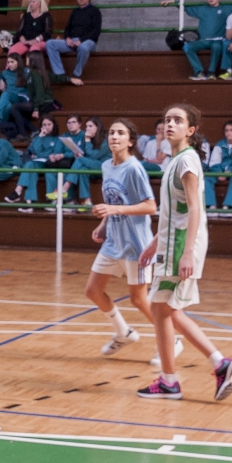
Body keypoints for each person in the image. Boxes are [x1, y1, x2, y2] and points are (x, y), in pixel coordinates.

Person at [136, 103, 232, 401]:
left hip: (181, 245)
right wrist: (155, 242)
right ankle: (175, 378)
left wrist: (186, 253)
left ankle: (214, 365)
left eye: (178, 120)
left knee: (165, 309)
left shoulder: (186, 162)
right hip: (171, 242)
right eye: (167, 119)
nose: (170, 124)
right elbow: (175, 212)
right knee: (162, 309)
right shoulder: (174, 161)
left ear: (191, 130)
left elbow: (195, 209)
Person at [83, 118, 158, 355]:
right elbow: (113, 200)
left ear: (131, 141)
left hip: (135, 243)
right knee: (93, 291)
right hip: (113, 241)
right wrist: (104, 223)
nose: (114, 136)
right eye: (112, 133)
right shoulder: (107, 166)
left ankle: (170, 341)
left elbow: (150, 206)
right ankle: (123, 332)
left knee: (139, 299)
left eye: (121, 133)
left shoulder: (134, 168)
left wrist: (114, 210)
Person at [45, 0, 101, 84]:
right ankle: (60, 74)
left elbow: (96, 32)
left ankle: (76, 74)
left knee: (83, 48)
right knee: (50, 44)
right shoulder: (75, 12)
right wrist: (67, 38)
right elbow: (67, 29)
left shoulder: (95, 11)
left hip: (88, 42)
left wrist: (81, 41)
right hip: (72, 41)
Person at [7, 115, 65, 209]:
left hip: (49, 164)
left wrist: (40, 155)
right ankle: (29, 202)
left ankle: (18, 191)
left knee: (29, 164)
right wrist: (40, 137)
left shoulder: (58, 139)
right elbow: (34, 150)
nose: (46, 127)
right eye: (44, 125)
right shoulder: (39, 137)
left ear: (54, 125)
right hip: (36, 164)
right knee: (32, 171)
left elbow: (54, 154)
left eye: (49, 124)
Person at [179, 0, 232, 81]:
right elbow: (185, 7)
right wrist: (175, 2)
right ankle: (199, 72)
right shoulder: (202, 9)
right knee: (187, 47)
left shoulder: (226, 8)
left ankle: (211, 73)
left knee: (216, 47)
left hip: (218, 40)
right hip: (203, 40)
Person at [63, 116, 108, 208]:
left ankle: (64, 188)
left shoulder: (106, 139)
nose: (87, 129)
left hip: (106, 167)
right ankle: (87, 201)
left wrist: (87, 141)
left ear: (98, 127)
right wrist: (81, 156)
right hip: (94, 167)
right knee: (83, 170)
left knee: (80, 160)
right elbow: (89, 157)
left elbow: (94, 156)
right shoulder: (90, 139)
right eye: (86, 126)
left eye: (90, 126)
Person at [204, 120, 232, 220]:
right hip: (219, 172)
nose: (229, 133)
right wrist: (219, 173)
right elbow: (214, 162)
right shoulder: (220, 144)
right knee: (206, 178)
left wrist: (229, 172)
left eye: (231, 130)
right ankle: (211, 206)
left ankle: (227, 207)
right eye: (226, 130)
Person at [10, 0, 53, 70]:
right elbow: (19, 31)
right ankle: (10, 73)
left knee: (34, 49)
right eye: (30, 2)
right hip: (25, 41)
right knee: (12, 50)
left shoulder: (46, 16)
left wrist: (36, 40)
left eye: (33, 2)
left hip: (40, 42)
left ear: (40, 3)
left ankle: (34, 73)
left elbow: (48, 32)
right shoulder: (26, 15)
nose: (31, 4)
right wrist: (22, 38)